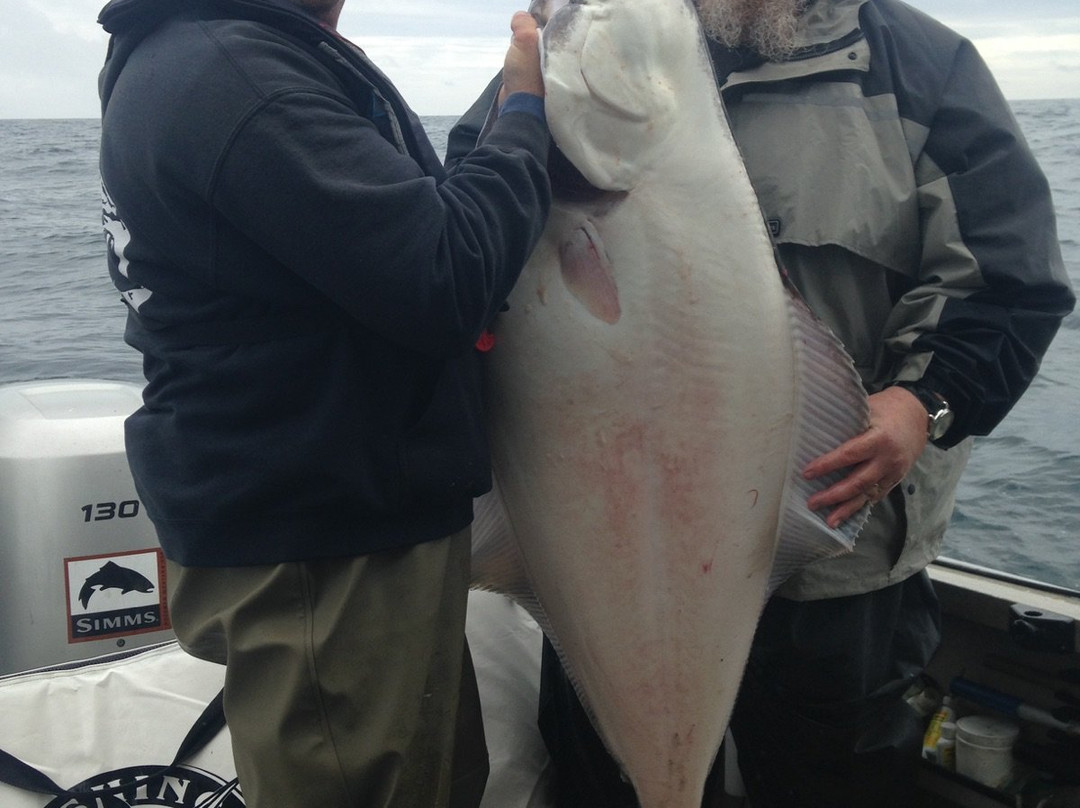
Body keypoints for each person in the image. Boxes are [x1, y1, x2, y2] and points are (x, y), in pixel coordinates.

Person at [446, 0, 1076, 805]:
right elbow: (463, 228)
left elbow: (1010, 281)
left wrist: (925, 406)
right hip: (610, 556)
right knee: (604, 783)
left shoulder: (925, 69)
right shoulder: (597, 47)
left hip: (845, 549)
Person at [97, 0, 551, 805]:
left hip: (341, 527)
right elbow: (446, 274)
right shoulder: (235, 76)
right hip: (325, 553)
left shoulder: (209, 58)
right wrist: (522, 111)